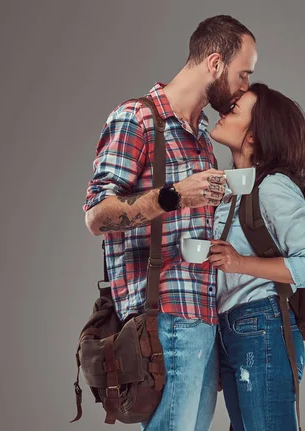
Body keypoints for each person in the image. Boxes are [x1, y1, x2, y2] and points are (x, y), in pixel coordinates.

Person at [82, 15, 257, 431]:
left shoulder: (199, 135)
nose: (246, 85)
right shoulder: (136, 119)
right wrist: (175, 194)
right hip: (164, 318)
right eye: (243, 73)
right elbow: (97, 215)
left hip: (203, 316)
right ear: (215, 64)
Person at [208, 83, 305, 430]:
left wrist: (239, 262)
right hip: (231, 330)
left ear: (254, 135)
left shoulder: (273, 187)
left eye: (234, 110)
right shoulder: (229, 187)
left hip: (260, 326)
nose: (222, 111)